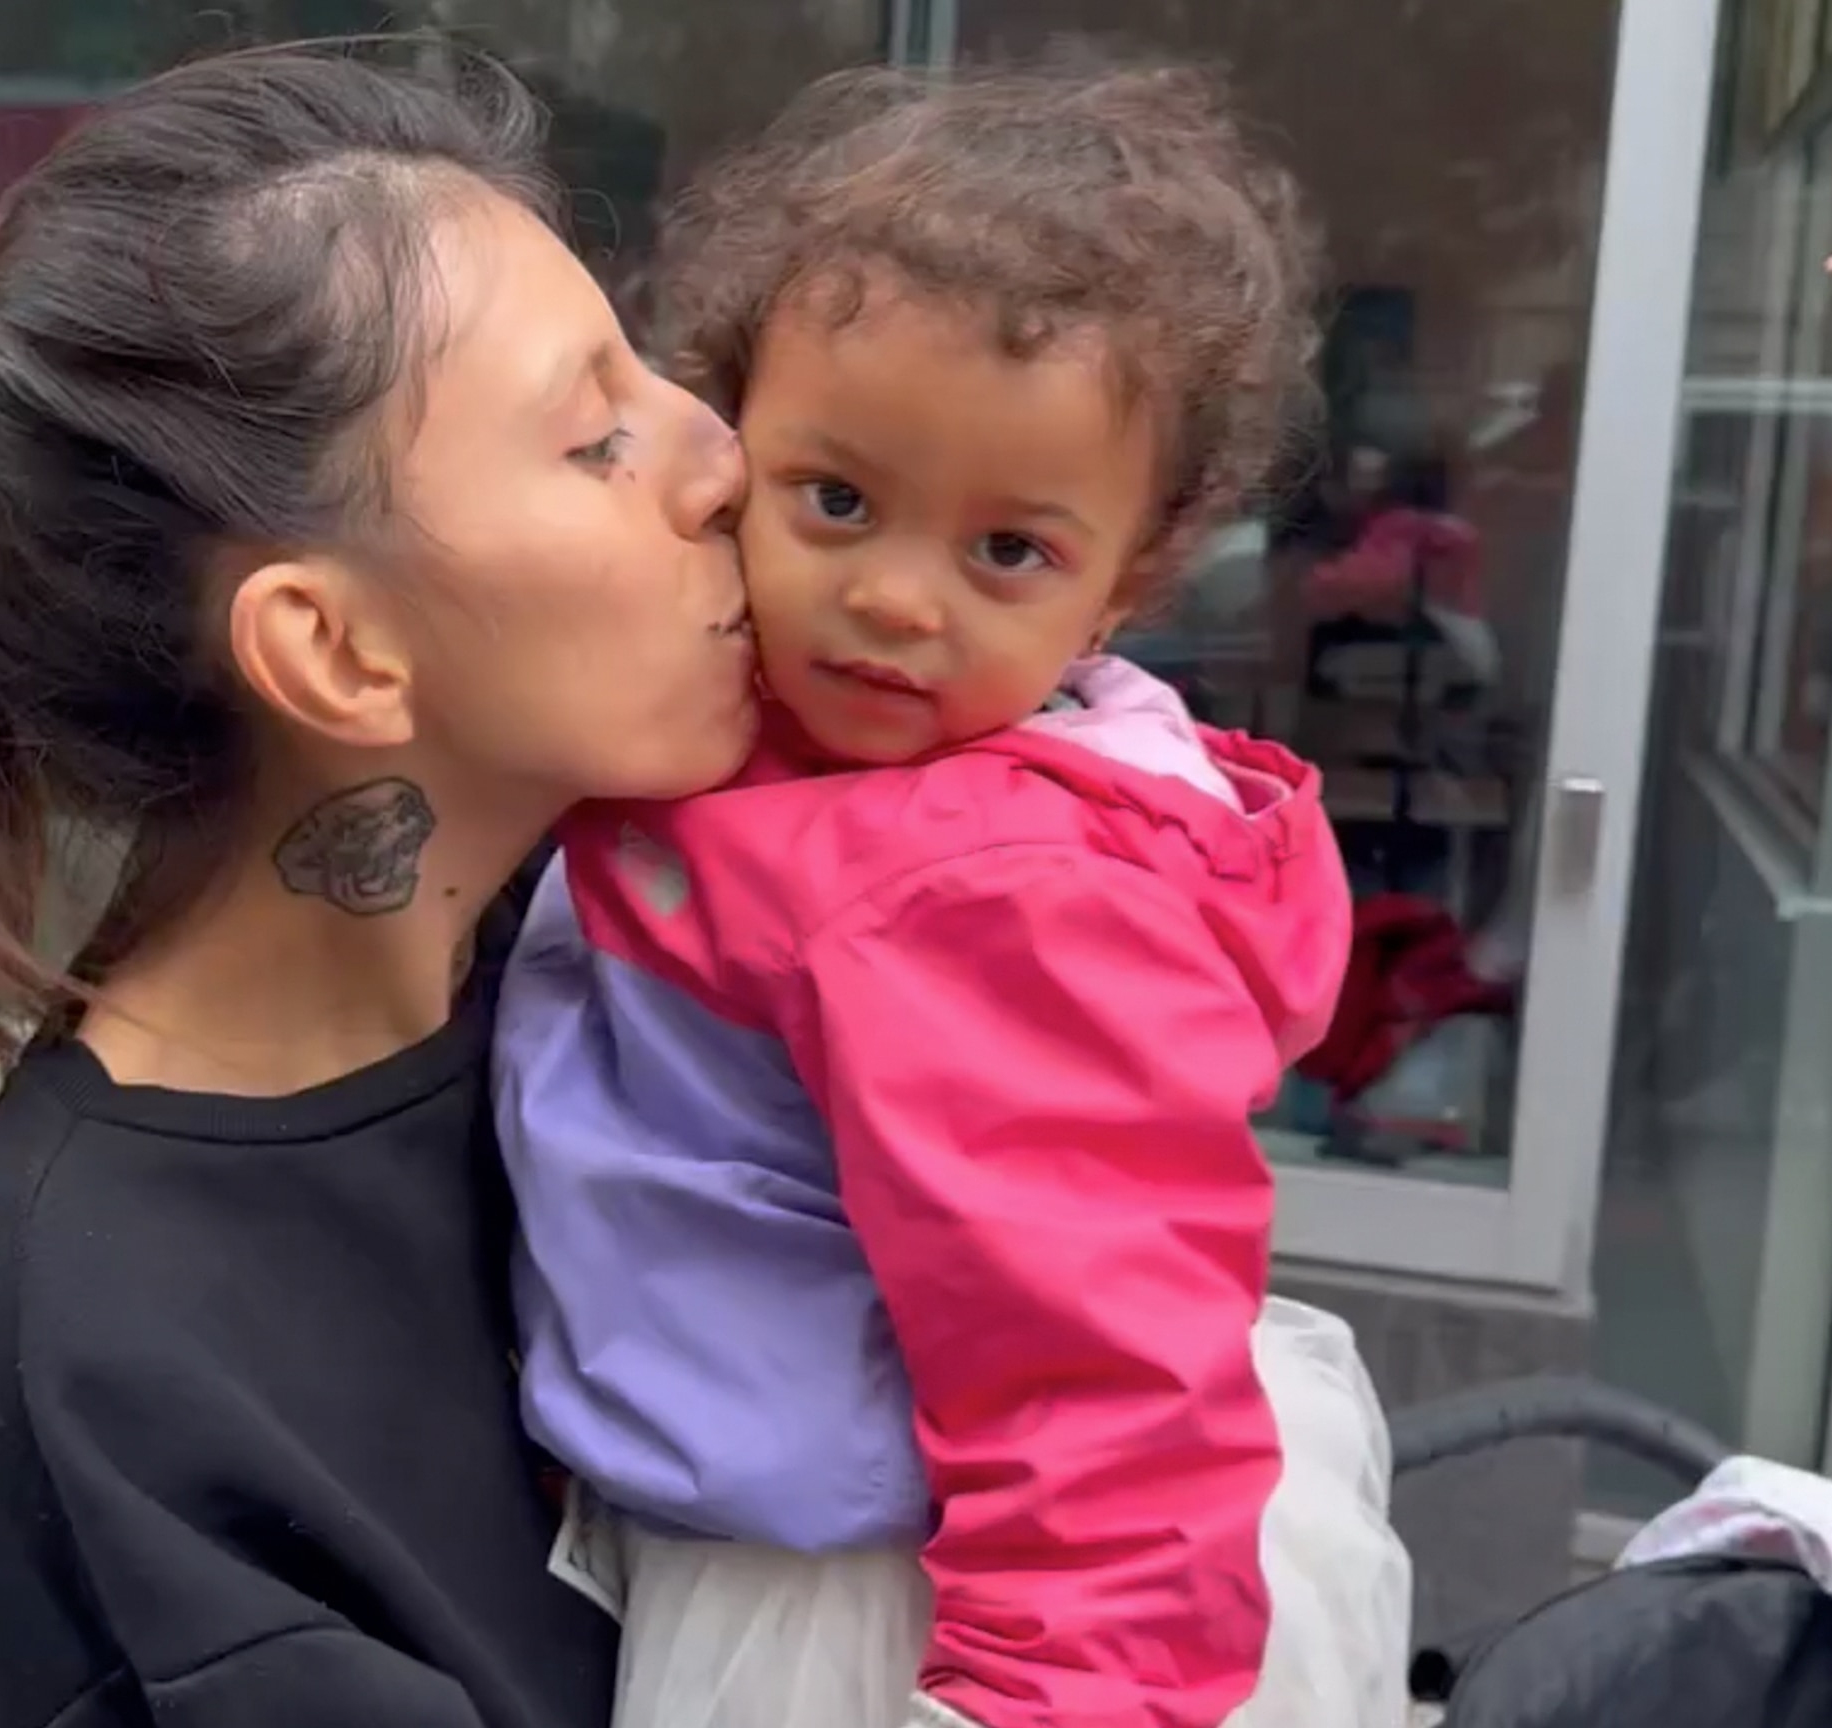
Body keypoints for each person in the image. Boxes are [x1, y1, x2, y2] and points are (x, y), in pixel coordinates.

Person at [0, 42, 762, 1728]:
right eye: (595, 438)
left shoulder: (632, 960)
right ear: (332, 649)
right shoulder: (95, 1327)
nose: (718, 453)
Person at [497, 59, 1409, 1728]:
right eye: (835, 502)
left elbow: (1106, 1392)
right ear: (726, 452)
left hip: (895, 1623)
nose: (898, 602)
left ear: (1129, 580)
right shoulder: (775, 746)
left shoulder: (991, 904)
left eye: (1009, 553)